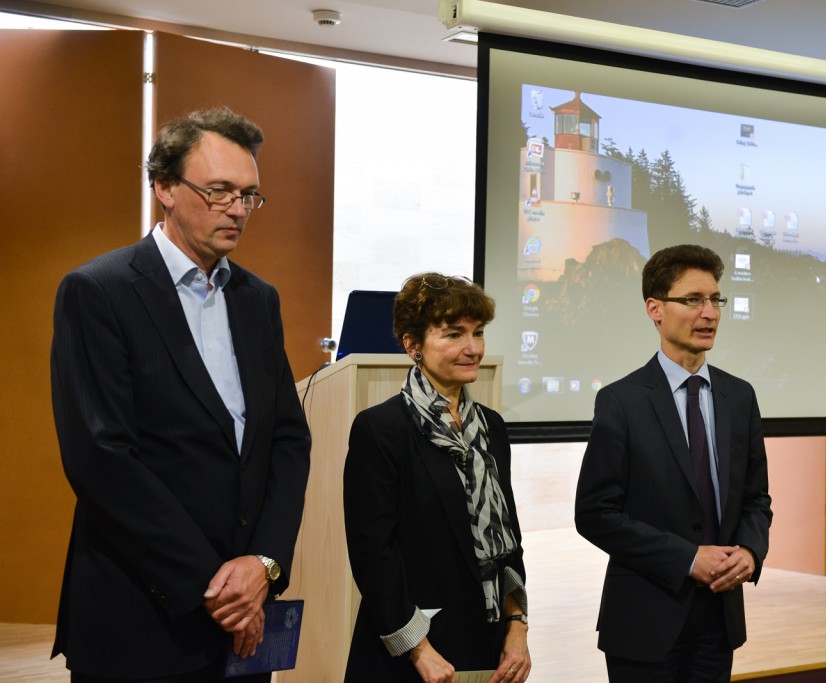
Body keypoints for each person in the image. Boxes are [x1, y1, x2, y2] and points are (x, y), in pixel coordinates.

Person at [50, 107, 312, 682]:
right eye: (219, 191)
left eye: (248, 195)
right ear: (165, 188)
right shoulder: (98, 291)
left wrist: (264, 564)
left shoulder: (258, 299)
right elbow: (101, 459)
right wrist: (216, 588)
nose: (237, 210)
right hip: (142, 615)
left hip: (246, 616)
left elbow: (287, 440)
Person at [575, 244, 772, 682]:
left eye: (715, 300)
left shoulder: (739, 396)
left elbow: (756, 499)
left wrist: (750, 551)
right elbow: (594, 514)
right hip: (645, 618)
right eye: (693, 300)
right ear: (655, 309)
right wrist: (686, 559)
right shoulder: (621, 401)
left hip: (719, 620)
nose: (710, 313)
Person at [343, 273, 531, 683]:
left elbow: (509, 539)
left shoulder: (492, 426)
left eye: (478, 333)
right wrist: (418, 649)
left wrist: (517, 627)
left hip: (487, 641)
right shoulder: (381, 428)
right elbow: (374, 554)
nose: (473, 348)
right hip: (410, 652)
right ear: (413, 344)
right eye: (454, 334)